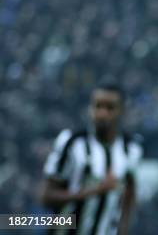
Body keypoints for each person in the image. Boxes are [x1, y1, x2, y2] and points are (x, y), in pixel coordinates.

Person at [40, 80, 143, 235]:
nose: (102, 114)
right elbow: (46, 197)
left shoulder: (131, 150)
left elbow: (129, 196)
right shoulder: (71, 142)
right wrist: (94, 190)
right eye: (98, 106)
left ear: (122, 110)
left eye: (110, 108)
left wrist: (123, 230)